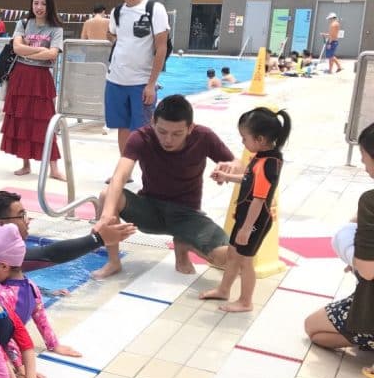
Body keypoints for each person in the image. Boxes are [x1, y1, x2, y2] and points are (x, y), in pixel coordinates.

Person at [91, 94, 235, 278]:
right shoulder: (141, 138)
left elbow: (237, 164)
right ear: (153, 122)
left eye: (177, 134)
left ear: (190, 128)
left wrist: (229, 168)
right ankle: (113, 262)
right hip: (150, 210)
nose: (168, 140)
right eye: (162, 131)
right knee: (107, 195)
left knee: (226, 258)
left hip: (187, 215)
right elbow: (119, 176)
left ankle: (183, 243)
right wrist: (105, 216)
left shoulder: (204, 136)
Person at [202, 108, 292, 312]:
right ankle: (224, 290)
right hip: (246, 219)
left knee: (246, 261)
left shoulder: (268, 164)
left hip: (255, 221)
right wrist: (227, 178)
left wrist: (246, 228)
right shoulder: (262, 156)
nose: (243, 143)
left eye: (244, 138)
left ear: (259, 139)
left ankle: (245, 301)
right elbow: (249, 180)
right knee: (233, 255)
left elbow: (259, 199)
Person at [0, 223, 80, 378]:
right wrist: (54, 345)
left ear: (4, 266)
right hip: (16, 344)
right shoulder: (32, 286)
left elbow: (5, 331)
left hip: (4, 350)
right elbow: (41, 319)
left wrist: (20, 366)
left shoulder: (0, 294)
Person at [304, 122, 374, 353]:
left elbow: (368, 270)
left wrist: (355, 260)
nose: (365, 168)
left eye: (365, 160)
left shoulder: (370, 201)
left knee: (314, 330)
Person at [0, 189, 136, 275]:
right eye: (21, 216)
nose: (28, 220)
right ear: (2, 225)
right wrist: (98, 239)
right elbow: (47, 254)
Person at [1, 0, 66, 180]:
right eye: (36, 3)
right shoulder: (22, 23)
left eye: (43, 4)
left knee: (46, 121)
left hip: (40, 78)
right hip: (20, 77)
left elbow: (53, 54)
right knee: (21, 118)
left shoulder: (56, 29)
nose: (39, 7)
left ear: (50, 6)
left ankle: (54, 168)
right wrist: (39, 51)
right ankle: (25, 163)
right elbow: (16, 48)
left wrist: (27, 49)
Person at [106, 0, 170, 156]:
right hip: (115, 81)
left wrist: (151, 84)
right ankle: (124, 172)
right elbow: (110, 33)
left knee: (145, 131)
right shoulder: (117, 12)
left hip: (141, 83)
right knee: (122, 127)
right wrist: (118, 43)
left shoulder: (154, 9)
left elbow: (161, 47)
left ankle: (148, 173)